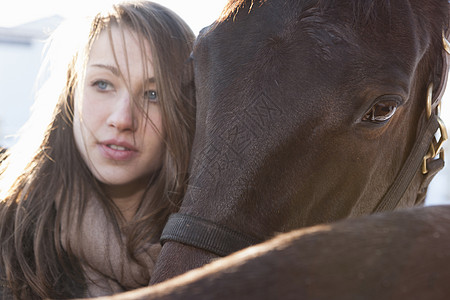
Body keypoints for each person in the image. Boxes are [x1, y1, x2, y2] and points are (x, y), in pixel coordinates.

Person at [0, 1, 196, 298]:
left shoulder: (219, 253)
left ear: (186, 111)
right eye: (103, 84)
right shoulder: (8, 232)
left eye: (153, 94)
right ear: (70, 94)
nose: (122, 119)